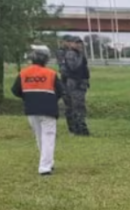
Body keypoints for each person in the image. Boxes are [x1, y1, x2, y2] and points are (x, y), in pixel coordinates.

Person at [11, 47, 65, 176]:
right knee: (48, 137)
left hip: (31, 109)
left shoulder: (24, 73)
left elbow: (15, 90)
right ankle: (45, 167)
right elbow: (61, 90)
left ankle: (47, 163)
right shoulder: (51, 73)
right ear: (46, 59)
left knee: (39, 137)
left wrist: (28, 97)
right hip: (48, 109)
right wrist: (52, 98)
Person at [57, 35, 91, 136]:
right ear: (70, 43)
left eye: (80, 42)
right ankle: (80, 130)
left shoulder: (75, 53)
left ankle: (76, 129)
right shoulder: (71, 54)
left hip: (78, 82)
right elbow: (74, 67)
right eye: (76, 42)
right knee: (77, 107)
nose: (79, 45)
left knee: (75, 107)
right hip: (75, 83)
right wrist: (81, 55)